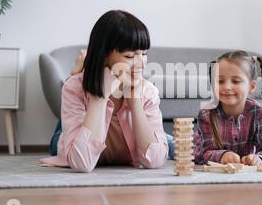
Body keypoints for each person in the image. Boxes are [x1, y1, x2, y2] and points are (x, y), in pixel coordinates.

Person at [41, 10, 168, 172]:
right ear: (103, 55)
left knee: (172, 144)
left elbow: (155, 160)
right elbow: (82, 163)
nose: (141, 64)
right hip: (70, 135)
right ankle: (81, 71)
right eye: (130, 56)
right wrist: (99, 97)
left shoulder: (148, 91)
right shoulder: (73, 89)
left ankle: (82, 68)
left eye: (144, 54)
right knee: (59, 141)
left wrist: (135, 100)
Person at [194, 50, 262, 168]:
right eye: (220, 81)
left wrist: (259, 159)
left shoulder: (259, 112)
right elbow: (203, 153)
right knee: (178, 147)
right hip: (193, 145)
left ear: (251, 86)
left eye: (235, 81)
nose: (227, 87)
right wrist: (222, 156)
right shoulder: (206, 113)